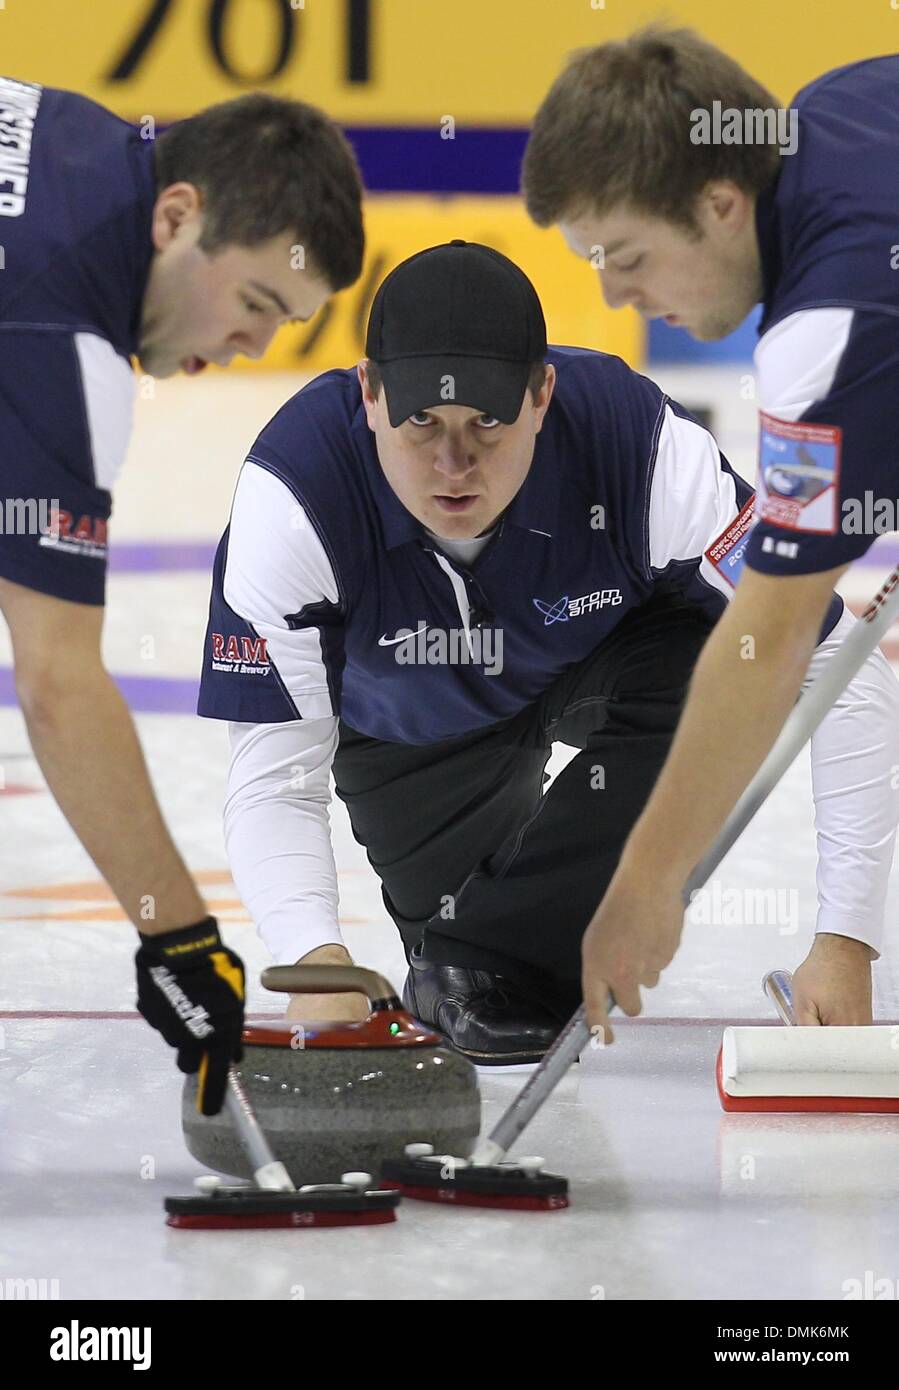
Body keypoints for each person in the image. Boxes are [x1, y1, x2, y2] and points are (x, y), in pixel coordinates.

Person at [197, 240, 898, 1064]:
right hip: (409, 733)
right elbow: (274, 777)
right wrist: (319, 965)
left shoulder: (640, 449)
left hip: (607, 660)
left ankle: (512, 936)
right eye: (421, 421)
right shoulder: (293, 499)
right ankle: (485, 949)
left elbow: (835, 670)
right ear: (370, 395)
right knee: (480, 975)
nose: (452, 466)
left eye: (486, 423)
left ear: (541, 395)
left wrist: (844, 941)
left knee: (742, 656)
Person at [522, 29, 899, 1039]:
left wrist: (646, 882)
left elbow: (771, 639)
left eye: (629, 257)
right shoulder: (844, 99)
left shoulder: (817, 338)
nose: (613, 297)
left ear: (720, 205)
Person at [0, 75, 364, 1108]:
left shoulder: (72, 135)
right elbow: (60, 685)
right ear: (177, 217)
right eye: (256, 303)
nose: (251, 348)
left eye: (283, 325)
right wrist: (177, 935)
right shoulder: (62, 340)